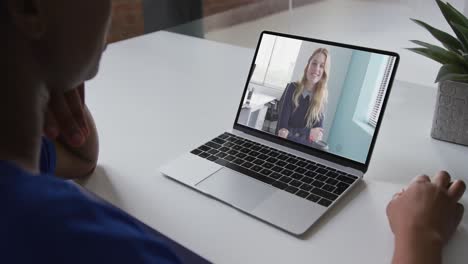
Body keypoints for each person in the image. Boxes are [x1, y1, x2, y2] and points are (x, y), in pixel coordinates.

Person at [1, 1, 465, 263]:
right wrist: (419, 235)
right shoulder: (78, 242)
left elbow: (79, 160)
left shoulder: (20, 176)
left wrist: (53, 82)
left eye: (324, 66)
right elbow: (282, 123)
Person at [277, 48, 329, 146]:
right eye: (314, 63)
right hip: (283, 146)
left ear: (324, 72)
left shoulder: (322, 99)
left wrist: (290, 134)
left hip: (304, 151)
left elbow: (315, 139)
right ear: (308, 65)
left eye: (321, 66)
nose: (316, 69)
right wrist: (308, 133)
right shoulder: (292, 88)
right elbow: (281, 132)